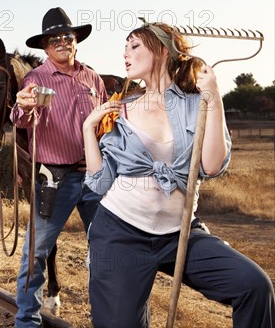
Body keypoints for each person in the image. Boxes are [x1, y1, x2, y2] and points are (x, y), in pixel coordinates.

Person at [82, 19, 275, 327]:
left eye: (134, 46)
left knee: (254, 286)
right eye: (125, 48)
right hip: (120, 233)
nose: (125, 54)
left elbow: (211, 166)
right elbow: (101, 182)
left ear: (161, 50)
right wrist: (87, 129)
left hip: (180, 232)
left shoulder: (196, 103)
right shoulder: (123, 109)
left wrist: (212, 94)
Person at [11, 7, 107, 327]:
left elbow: (105, 126)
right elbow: (21, 117)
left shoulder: (92, 77)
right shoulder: (36, 79)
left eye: (67, 36)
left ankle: (106, 317)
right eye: (55, 40)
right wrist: (21, 107)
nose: (62, 42)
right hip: (55, 179)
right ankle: (27, 321)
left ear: (76, 39)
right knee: (36, 253)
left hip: (95, 178)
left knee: (108, 249)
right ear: (45, 47)